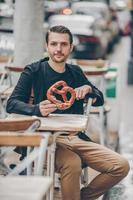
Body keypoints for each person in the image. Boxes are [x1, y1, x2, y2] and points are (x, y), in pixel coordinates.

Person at [6, 25, 129, 200]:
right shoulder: (33, 71)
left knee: (121, 165)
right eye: (54, 44)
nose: (58, 49)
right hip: (45, 139)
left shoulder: (75, 72)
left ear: (71, 47)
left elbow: (100, 99)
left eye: (63, 44)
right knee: (72, 163)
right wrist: (36, 109)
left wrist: (88, 88)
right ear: (46, 46)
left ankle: (80, 197)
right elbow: (11, 104)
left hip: (75, 137)